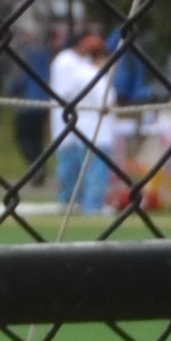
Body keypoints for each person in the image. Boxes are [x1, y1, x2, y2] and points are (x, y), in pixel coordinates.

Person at [44, 23, 113, 215]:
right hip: (69, 123)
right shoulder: (67, 62)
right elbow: (67, 93)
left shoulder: (84, 65)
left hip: (81, 125)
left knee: (80, 168)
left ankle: (78, 202)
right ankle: (80, 203)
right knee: (77, 169)